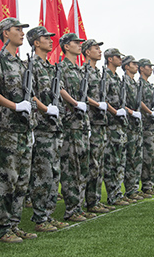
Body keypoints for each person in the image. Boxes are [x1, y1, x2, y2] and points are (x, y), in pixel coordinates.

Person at [0, 17, 37, 243]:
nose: (21, 33)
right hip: (7, 128)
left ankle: (14, 225)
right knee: (6, 180)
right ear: (5, 33)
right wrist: (14, 106)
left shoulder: (23, 64)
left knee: (21, 181)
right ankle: (3, 228)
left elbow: (31, 94)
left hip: (25, 129)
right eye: (17, 29)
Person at [27, 26, 69, 232]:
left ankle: (48, 215)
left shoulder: (51, 68)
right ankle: (40, 218)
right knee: (42, 174)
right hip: (41, 126)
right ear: (36, 42)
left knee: (54, 173)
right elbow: (29, 94)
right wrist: (45, 109)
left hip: (55, 127)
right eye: (45, 38)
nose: (51, 40)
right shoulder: (31, 65)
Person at [58, 33, 94, 222]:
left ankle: (78, 207)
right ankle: (72, 209)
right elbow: (60, 88)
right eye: (76, 43)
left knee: (83, 167)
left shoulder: (80, 70)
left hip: (82, 124)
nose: (80, 45)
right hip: (70, 123)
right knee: (71, 168)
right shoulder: (61, 67)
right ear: (66, 46)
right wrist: (75, 103)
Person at [82, 39, 111, 215]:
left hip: (101, 123)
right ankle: (90, 201)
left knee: (99, 164)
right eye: (96, 48)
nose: (99, 51)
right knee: (92, 164)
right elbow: (81, 94)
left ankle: (96, 200)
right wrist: (97, 104)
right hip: (91, 122)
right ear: (87, 52)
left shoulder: (99, 73)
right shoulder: (84, 71)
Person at [102, 48, 129, 207]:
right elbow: (103, 99)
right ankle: (113, 195)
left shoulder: (117, 77)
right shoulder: (105, 76)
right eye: (117, 57)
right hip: (111, 124)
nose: (120, 59)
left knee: (120, 161)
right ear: (110, 59)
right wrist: (115, 112)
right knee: (112, 161)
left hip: (120, 124)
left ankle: (118, 193)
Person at [121, 55, 145, 201]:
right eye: (133, 64)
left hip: (136, 124)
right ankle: (130, 190)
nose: (136, 66)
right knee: (130, 158)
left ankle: (135, 188)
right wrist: (131, 112)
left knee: (137, 158)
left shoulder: (135, 83)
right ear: (126, 66)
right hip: (129, 124)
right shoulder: (124, 81)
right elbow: (120, 102)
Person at [137, 58, 154, 196]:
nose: (151, 69)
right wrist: (150, 112)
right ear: (141, 68)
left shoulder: (149, 85)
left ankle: (151, 184)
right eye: (148, 66)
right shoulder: (140, 83)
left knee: (153, 156)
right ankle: (146, 185)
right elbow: (139, 101)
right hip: (145, 124)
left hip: (152, 125)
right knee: (147, 157)